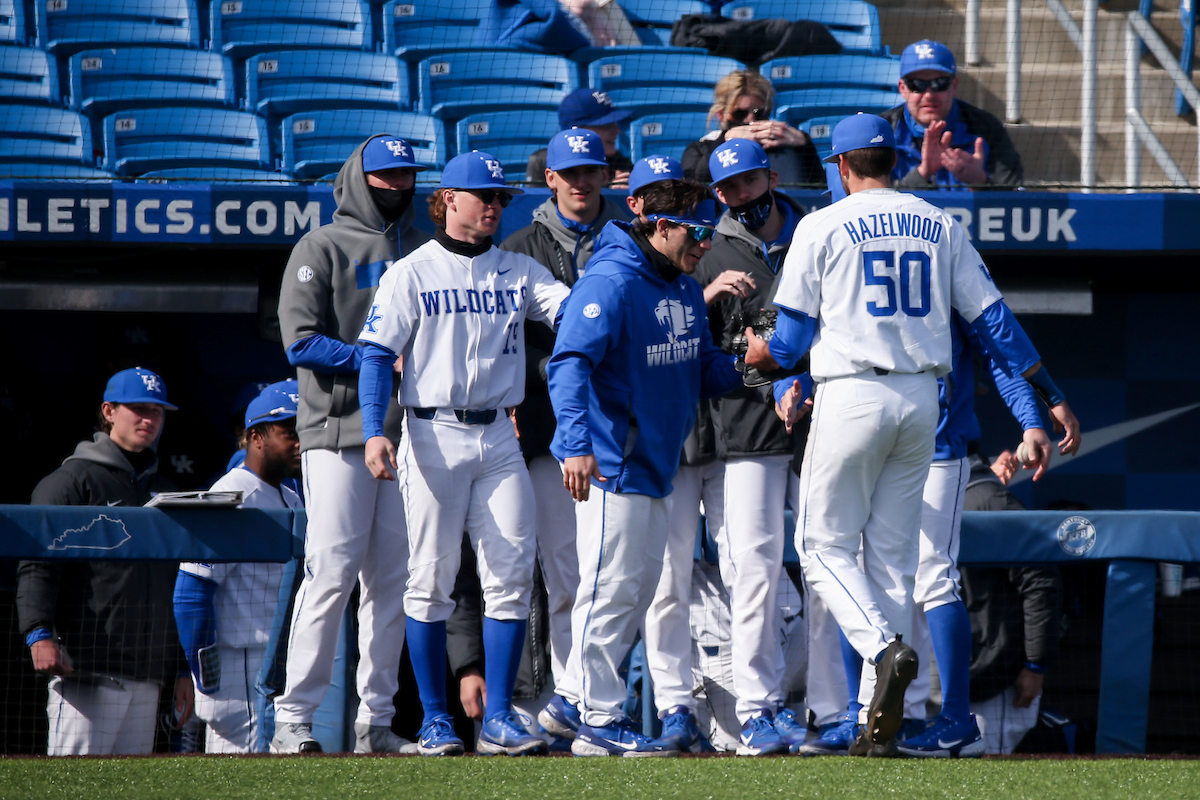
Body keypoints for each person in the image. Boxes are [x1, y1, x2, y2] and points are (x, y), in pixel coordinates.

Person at [745, 113, 1069, 755]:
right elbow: (996, 321)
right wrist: (1049, 394)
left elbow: (786, 344)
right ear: (894, 159)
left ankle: (884, 650)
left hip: (852, 393)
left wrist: (760, 354)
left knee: (819, 545)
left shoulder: (820, 224)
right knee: (893, 563)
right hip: (923, 398)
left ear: (840, 166)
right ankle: (877, 718)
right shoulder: (939, 222)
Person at [358, 151, 571, 756]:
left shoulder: (518, 269)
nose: (495, 207)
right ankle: (434, 719)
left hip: (500, 435)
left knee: (509, 575)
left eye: (502, 198)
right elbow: (375, 355)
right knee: (428, 582)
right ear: (449, 197)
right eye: (485, 196)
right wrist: (377, 430)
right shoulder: (412, 271)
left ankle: (500, 717)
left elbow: (572, 310)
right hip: (432, 433)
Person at [545, 178, 743, 756]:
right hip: (613, 464)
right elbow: (569, 363)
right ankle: (599, 721)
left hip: (657, 464)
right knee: (610, 592)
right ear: (661, 226)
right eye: (697, 231)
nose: (707, 243)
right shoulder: (610, 280)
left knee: (632, 594)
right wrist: (576, 443)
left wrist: (755, 364)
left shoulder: (681, 286)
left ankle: (568, 704)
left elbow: (702, 369)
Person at [273, 134, 431, 754]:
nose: (396, 186)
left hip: (407, 438)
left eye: (405, 176)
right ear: (360, 179)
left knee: (393, 580)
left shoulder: (422, 248)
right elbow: (301, 341)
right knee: (332, 572)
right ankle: (294, 719)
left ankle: (377, 722)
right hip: (337, 434)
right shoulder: (322, 244)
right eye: (385, 176)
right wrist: (376, 356)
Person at [496, 128, 629, 739]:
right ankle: (558, 703)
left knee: (617, 575)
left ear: (605, 175)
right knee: (561, 574)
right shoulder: (521, 244)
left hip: (623, 431)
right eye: (568, 172)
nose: (581, 182)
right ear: (549, 178)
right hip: (550, 433)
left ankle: (593, 703)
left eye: (590, 171)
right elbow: (510, 344)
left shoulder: (630, 236)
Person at [696, 138, 811, 755]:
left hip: (821, 418)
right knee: (755, 572)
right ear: (719, 193)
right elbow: (703, 351)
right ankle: (758, 708)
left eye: (751, 180)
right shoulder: (710, 254)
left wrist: (804, 378)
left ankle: (832, 704)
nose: (744, 193)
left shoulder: (816, 233)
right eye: (731, 186)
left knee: (829, 565)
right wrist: (767, 372)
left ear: (769, 176)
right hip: (746, 427)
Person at [17, 367, 192, 756]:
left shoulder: (165, 490)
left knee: (128, 790)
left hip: (149, 673)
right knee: (75, 787)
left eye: (157, 411)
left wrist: (181, 668)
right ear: (109, 411)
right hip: (87, 669)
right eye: (138, 409)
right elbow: (38, 564)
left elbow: (180, 584)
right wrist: (38, 632)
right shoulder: (72, 481)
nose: (149, 419)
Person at [174, 380, 304, 753]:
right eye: (288, 432)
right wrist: (206, 673)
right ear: (256, 437)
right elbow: (191, 593)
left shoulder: (290, 494)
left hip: (273, 662)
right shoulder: (230, 493)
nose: (299, 441)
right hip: (238, 665)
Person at [960, 452, 1062, 754]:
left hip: (989, 682)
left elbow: (1041, 582)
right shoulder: (915, 498)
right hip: (937, 677)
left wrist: (1036, 664)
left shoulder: (993, 501)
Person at [883, 40, 1023, 189]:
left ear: (954, 86)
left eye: (939, 83)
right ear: (902, 88)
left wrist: (980, 180)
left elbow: (1017, 201)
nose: (929, 95)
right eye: (917, 85)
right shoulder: (882, 132)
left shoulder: (987, 128)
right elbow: (868, 203)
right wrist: (923, 173)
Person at [681, 70, 823, 186]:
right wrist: (724, 140)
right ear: (721, 115)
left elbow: (819, 187)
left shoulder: (783, 144)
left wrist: (805, 146)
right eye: (739, 113)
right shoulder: (702, 148)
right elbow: (692, 185)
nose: (750, 120)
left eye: (758, 113)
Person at [526, 89, 634, 187]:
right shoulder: (543, 162)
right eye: (605, 126)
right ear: (577, 132)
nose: (617, 131)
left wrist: (629, 196)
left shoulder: (621, 165)